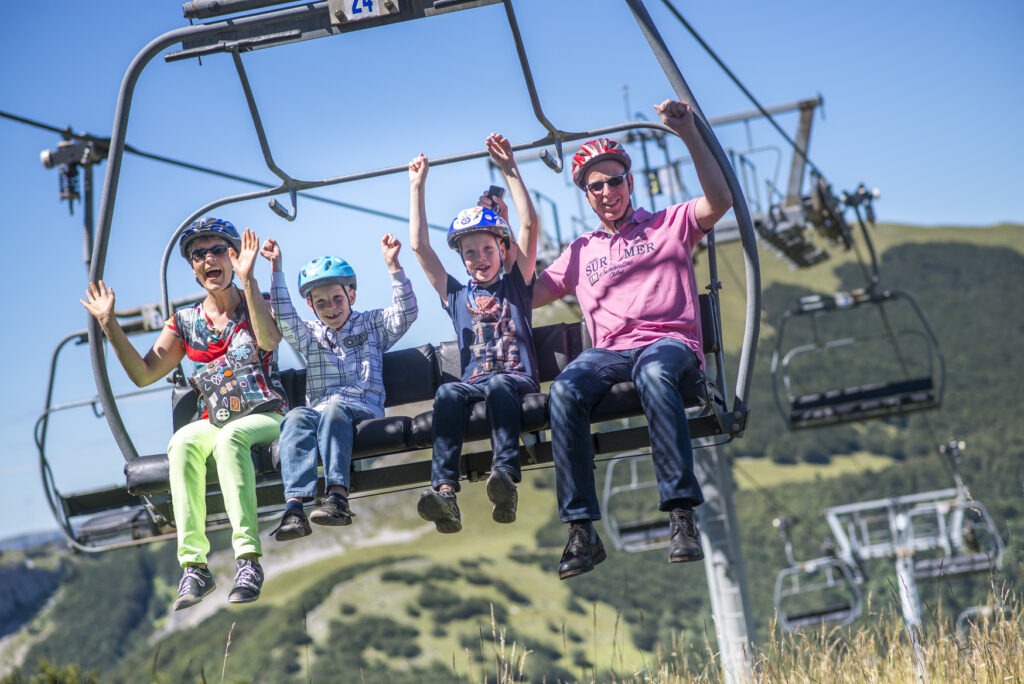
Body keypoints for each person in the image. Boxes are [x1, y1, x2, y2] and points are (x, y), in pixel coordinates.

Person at [533, 100, 733, 579]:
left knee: (656, 372)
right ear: (586, 195)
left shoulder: (668, 225)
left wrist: (688, 133)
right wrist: (513, 222)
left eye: (614, 181)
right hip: (608, 354)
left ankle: (682, 515)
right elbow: (523, 294)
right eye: (595, 186)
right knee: (563, 390)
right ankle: (581, 529)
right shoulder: (581, 252)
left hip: (667, 343)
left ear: (629, 181)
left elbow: (720, 200)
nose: (607, 192)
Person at [81, 218, 286, 608]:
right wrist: (110, 323)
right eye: (198, 254)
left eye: (218, 251)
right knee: (183, 442)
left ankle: (248, 559)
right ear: (192, 268)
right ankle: (195, 566)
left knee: (231, 439)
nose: (209, 259)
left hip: (264, 413)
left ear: (233, 256)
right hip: (215, 417)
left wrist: (248, 281)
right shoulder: (186, 323)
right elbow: (144, 373)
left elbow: (268, 340)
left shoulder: (255, 302)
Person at [408, 133, 539, 533]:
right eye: (470, 253)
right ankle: (445, 491)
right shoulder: (456, 295)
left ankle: (504, 475)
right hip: (474, 383)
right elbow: (420, 248)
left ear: (503, 250)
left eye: (487, 250)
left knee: (500, 385)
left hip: (514, 380)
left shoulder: (517, 283)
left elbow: (529, 223)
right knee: (447, 392)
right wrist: (417, 187)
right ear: (461, 259)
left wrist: (510, 171)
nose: (479, 259)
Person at [264, 234, 417, 541]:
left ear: (351, 296)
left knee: (334, 410)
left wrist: (394, 267)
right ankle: (295, 508)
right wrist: (276, 268)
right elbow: (284, 318)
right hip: (321, 412)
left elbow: (406, 313)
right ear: (310, 305)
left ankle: (337, 496)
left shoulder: (372, 325)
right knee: (295, 417)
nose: (331, 308)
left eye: (337, 299)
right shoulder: (310, 335)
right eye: (321, 303)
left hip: (362, 408)